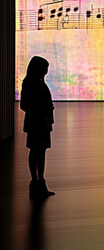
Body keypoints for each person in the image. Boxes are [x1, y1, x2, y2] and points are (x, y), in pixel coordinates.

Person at [20, 56, 55, 199]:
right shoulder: (31, 83)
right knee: (37, 152)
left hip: (42, 123)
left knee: (39, 152)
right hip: (37, 123)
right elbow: (25, 105)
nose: (46, 72)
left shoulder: (37, 82)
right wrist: (44, 108)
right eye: (45, 68)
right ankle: (36, 182)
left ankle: (38, 181)